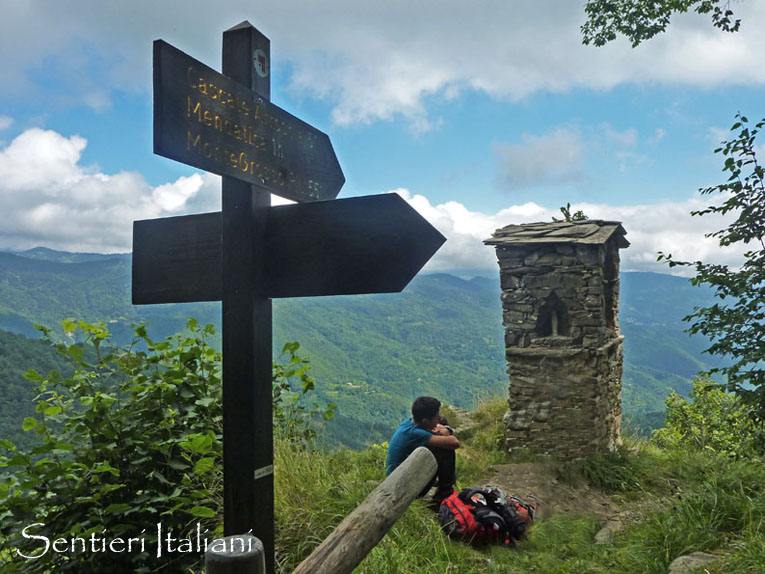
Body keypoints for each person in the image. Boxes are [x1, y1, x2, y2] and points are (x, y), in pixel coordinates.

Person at [385, 396, 460, 506]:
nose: (438, 419)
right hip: (402, 489)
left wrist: (444, 429)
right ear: (425, 421)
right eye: (436, 417)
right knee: (444, 450)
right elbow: (454, 443)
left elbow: (438, 427)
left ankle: (443, 489)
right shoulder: (415, 434)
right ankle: (444, 493)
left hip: (396, 480)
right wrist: (446, 431)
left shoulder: (409, 424)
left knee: (440, 438)